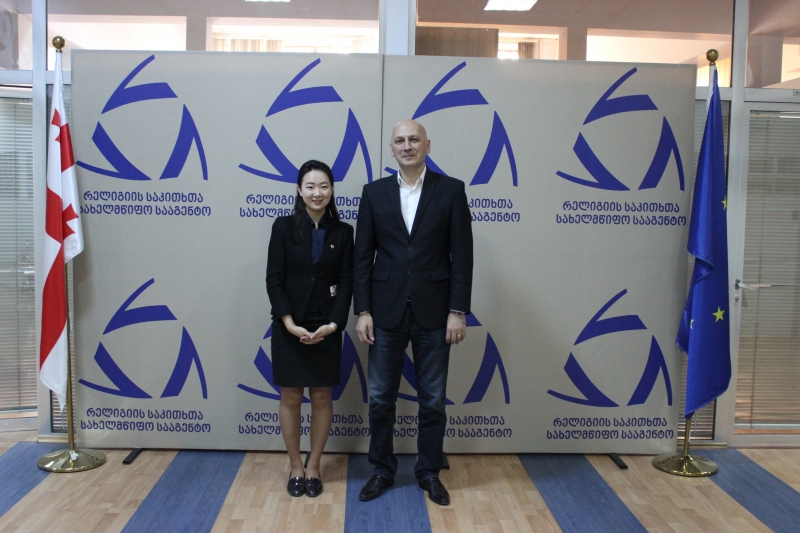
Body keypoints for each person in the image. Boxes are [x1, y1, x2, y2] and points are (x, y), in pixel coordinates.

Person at [353, 119, 473, 505]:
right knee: (380, 399)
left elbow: (462, 256)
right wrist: (363, 310)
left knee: (433, 400)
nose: (407, 146)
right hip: (384, 312)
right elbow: (362, 258)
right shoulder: (373, 193)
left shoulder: (451, 190)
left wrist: (458, 311)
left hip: (435, 313)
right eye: (400, 141)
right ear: (391, 149)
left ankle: (429, 472)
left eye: (414, 140)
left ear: (427, 145)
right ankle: (382, 470)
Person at [266, 160, 354, 498]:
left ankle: (314, 465)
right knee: (290, 396)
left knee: (321, 397)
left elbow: (346, 282)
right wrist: (288, 323)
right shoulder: (283, 227)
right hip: (289, 324)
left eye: (324, 186)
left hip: (326, 325)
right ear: (299, 190)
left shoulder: (343, 232)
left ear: (332, 190)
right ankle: (295, 466)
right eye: (310, 186)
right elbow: (274, 279)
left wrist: (334, 324)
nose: (317, 193)